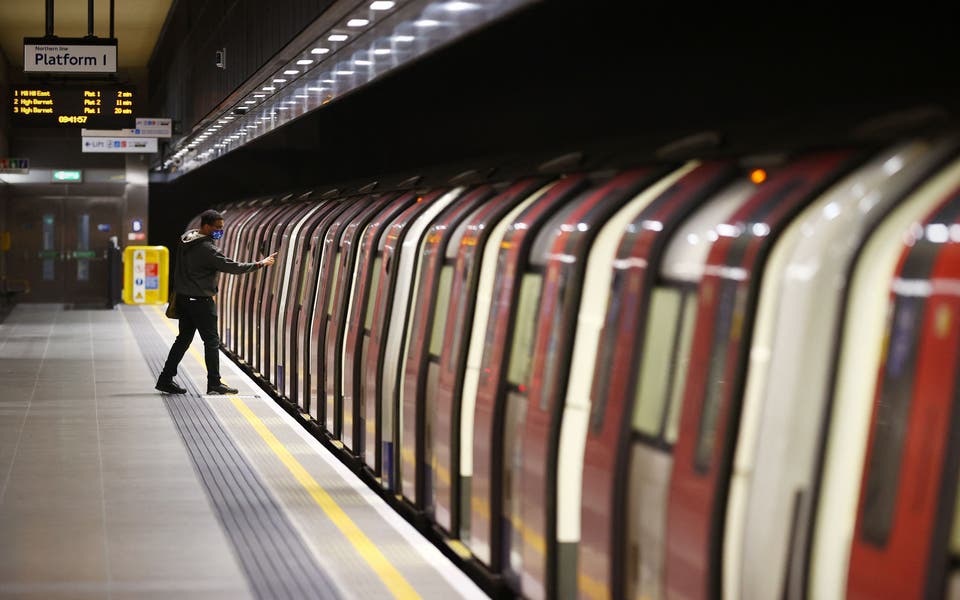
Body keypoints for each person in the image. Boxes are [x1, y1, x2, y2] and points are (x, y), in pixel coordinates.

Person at [155, 209, 277, 395]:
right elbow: (232, 267)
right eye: (217, 227)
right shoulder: (206, 249)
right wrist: (260, 264)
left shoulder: (186, 240)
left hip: (184, 299)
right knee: (211, 341)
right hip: (201, 301)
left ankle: (165, 379)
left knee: (183, 340)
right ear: (206, 226)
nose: (220, 230)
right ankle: (214, 383)